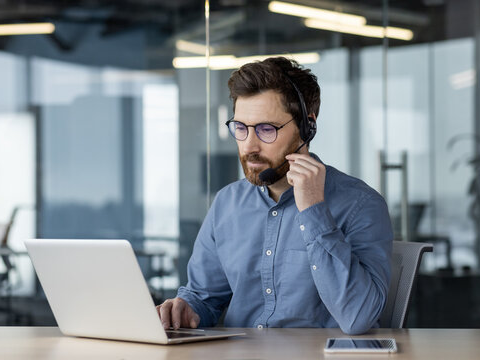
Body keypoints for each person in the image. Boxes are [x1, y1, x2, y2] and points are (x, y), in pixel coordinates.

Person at [157, 56, 393, 335]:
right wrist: (185, 308)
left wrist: (313, 210)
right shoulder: (227, 204)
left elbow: (359, 317)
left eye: (267, 129)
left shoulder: (361, 205)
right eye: (241, 128)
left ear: (308, 127)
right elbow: (205, 298)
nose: (249, 146)